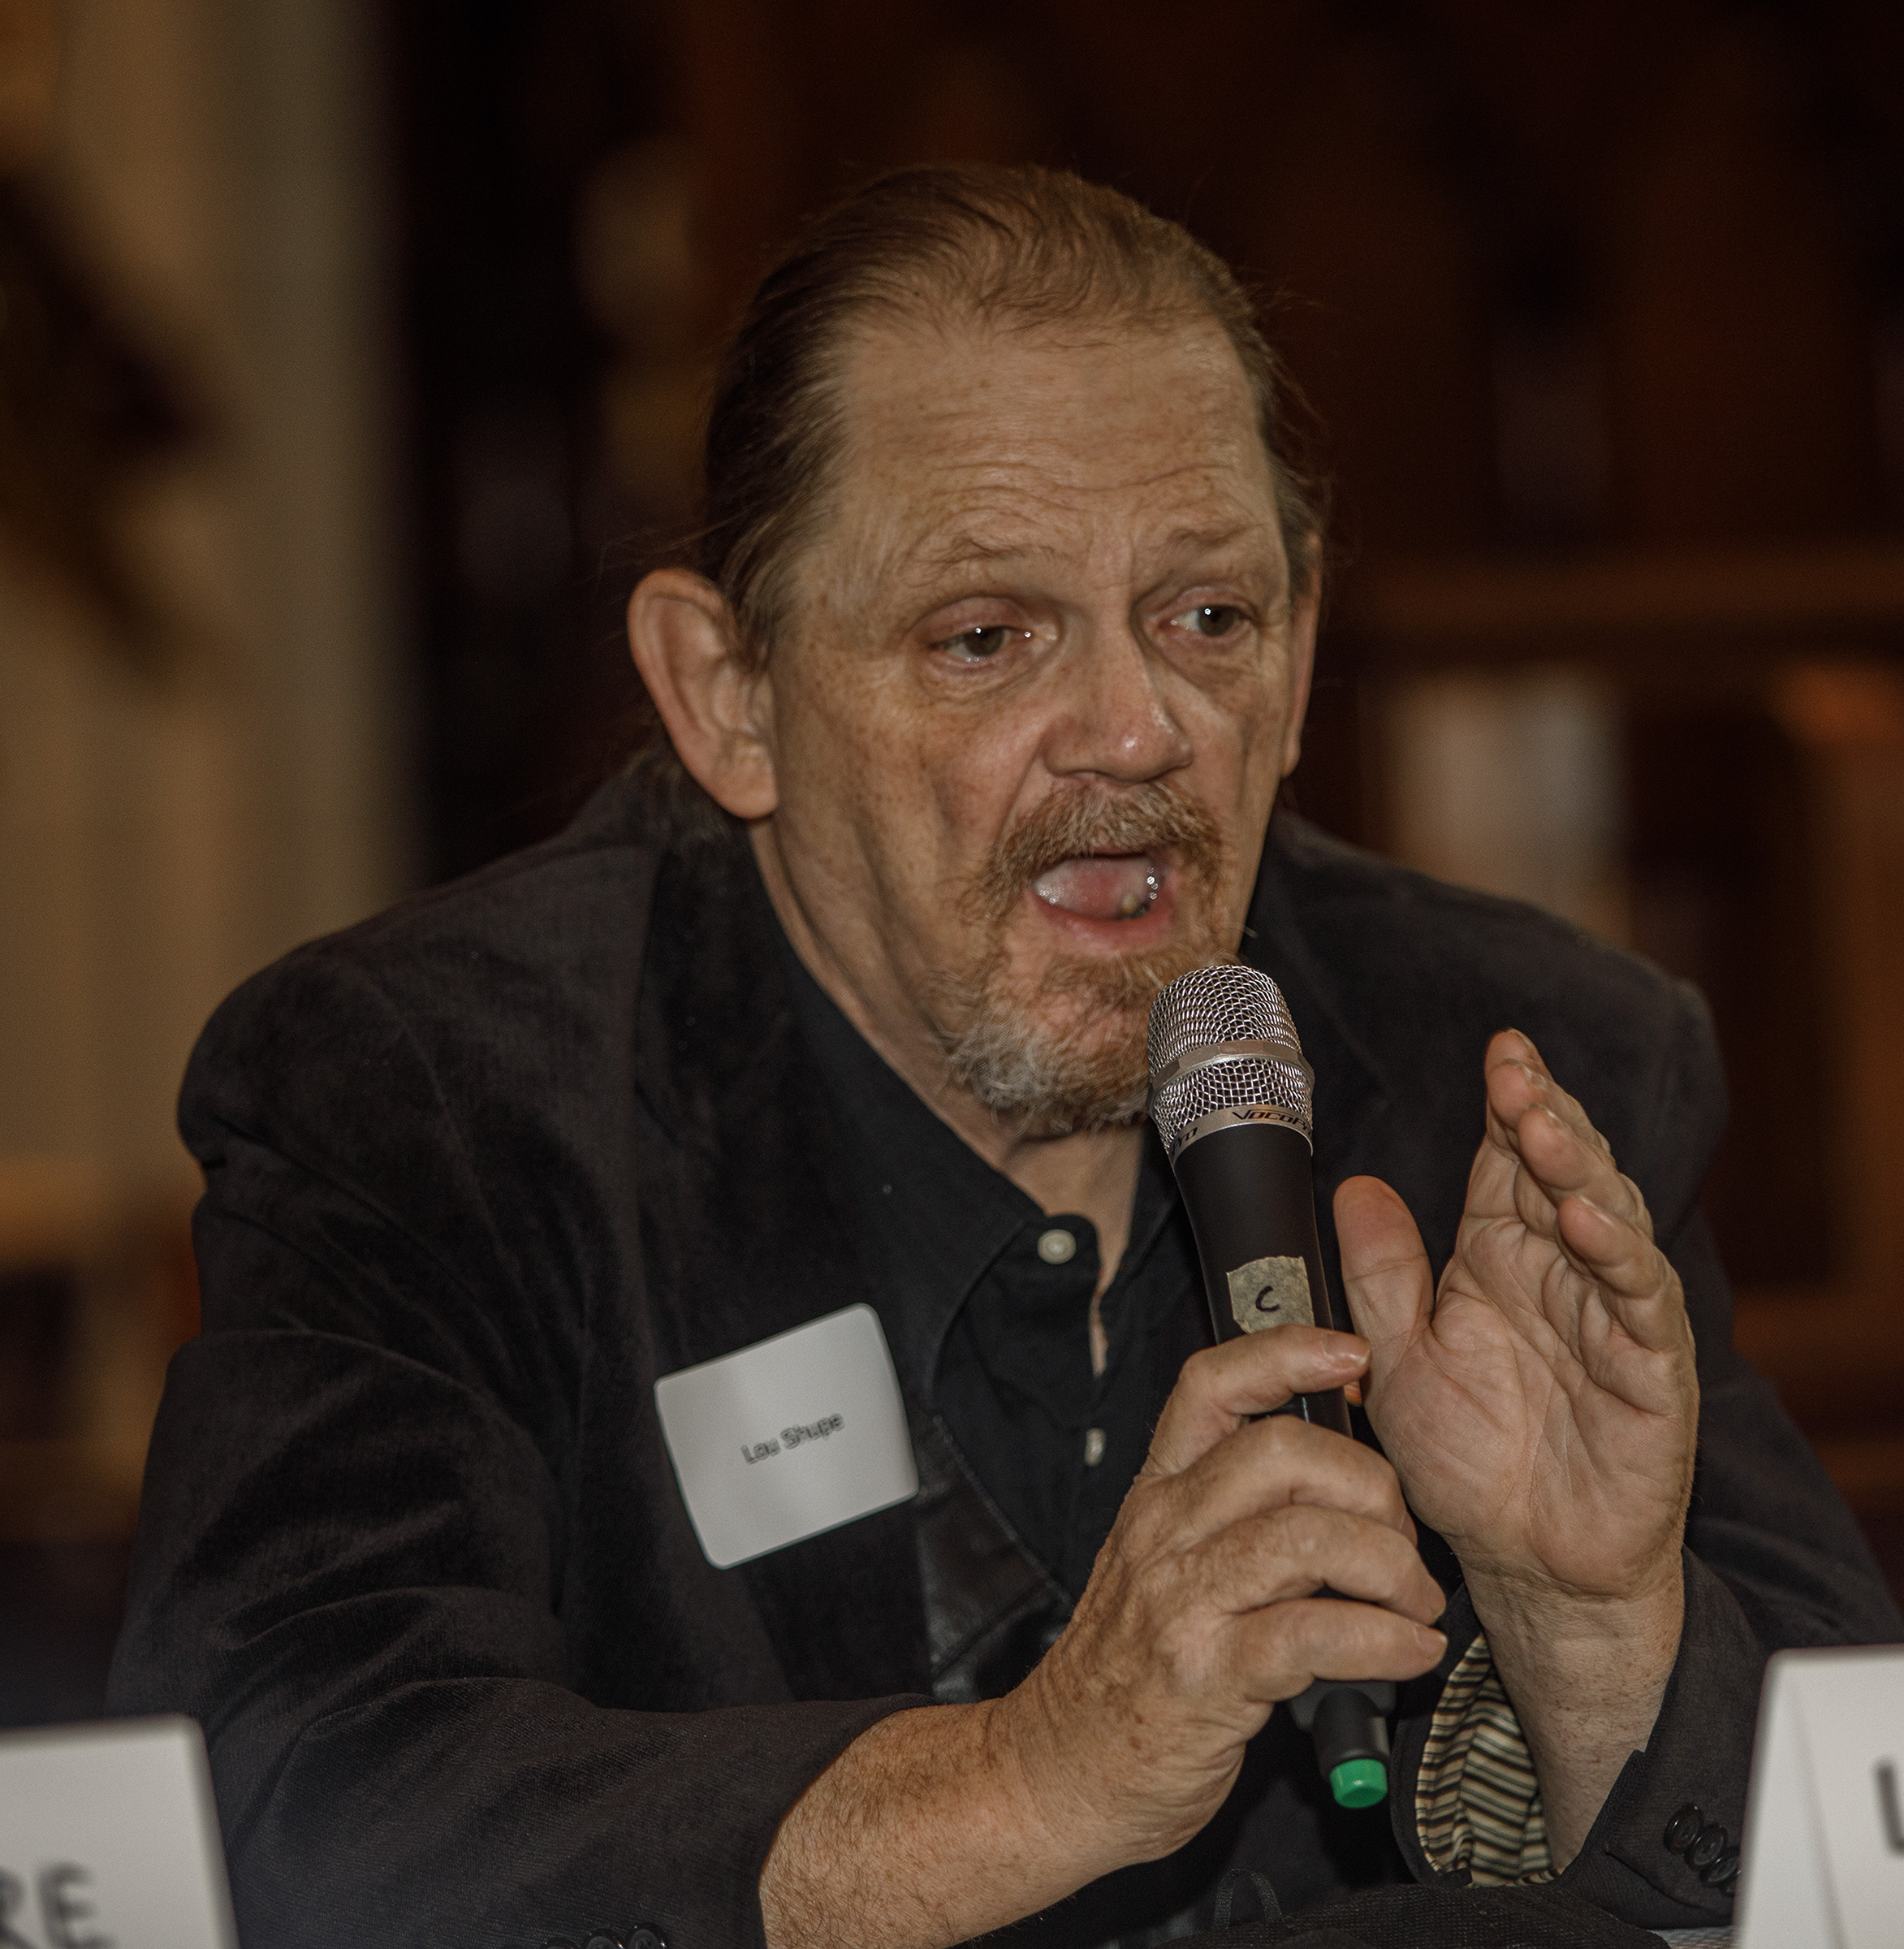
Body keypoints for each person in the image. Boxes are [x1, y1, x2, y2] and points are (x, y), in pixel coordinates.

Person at [109, 166, 1899, 1949]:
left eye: (1209, 618)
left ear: (1298, 649)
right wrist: (1039, 1776)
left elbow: (1856, 1836)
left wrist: (1590, 1633)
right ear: (728, 695)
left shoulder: (1515, 1072)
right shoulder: (434, 1099)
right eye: (985, 637)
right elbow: (293, 1800)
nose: (1138, 728)